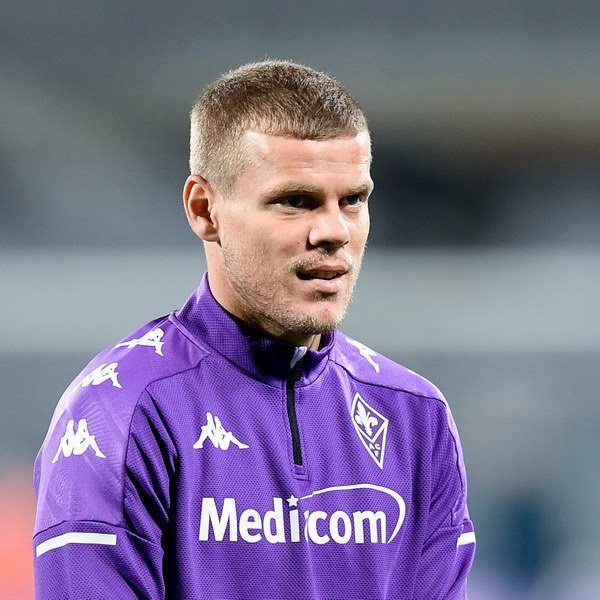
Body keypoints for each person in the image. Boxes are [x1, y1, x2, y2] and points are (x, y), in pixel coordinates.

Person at [33, 60, 476, 599]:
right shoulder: (121, 412)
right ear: (205, 210)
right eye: (296, 201)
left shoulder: (415, 416)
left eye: (353, 200)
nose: (334, 231)